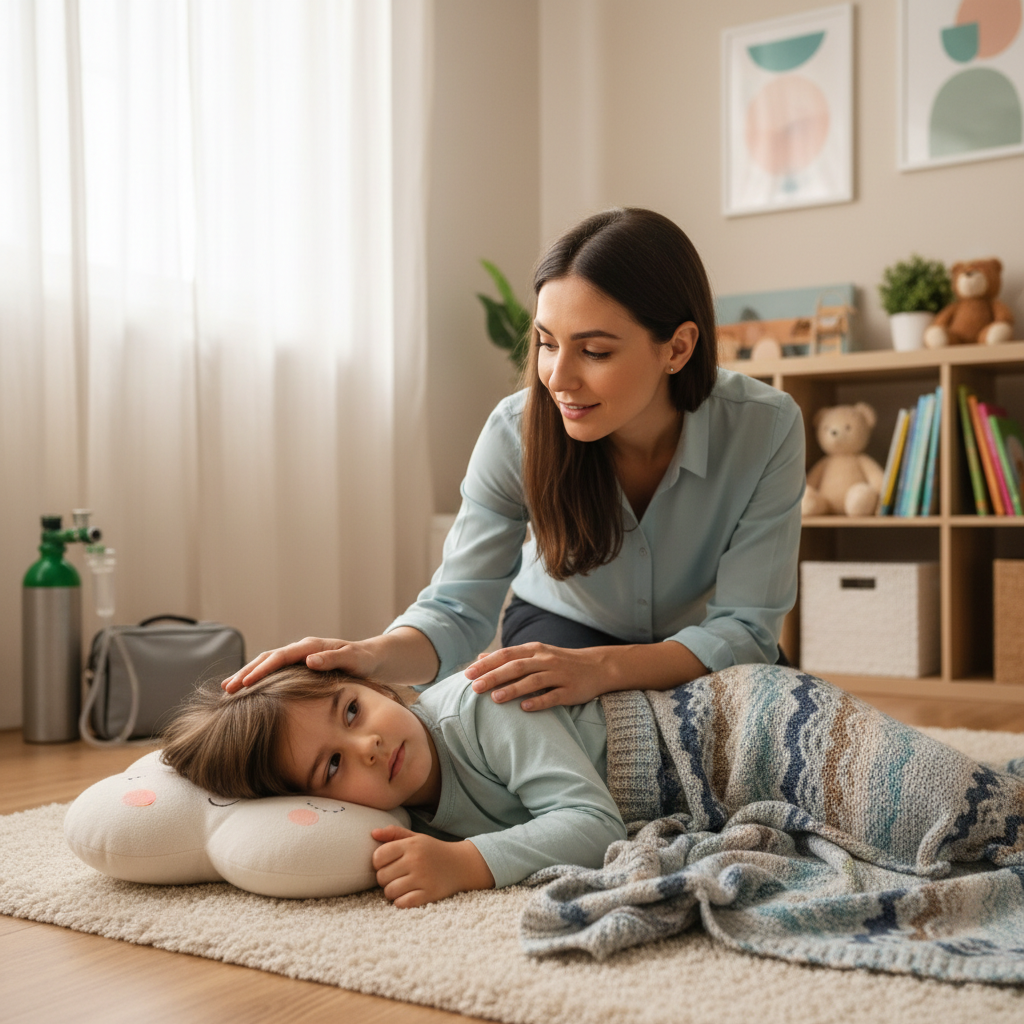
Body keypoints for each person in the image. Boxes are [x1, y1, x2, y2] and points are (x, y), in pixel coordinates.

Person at [222, 208, 805, 710]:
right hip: (562, 629)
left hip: (700, 643)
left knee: (783, 729)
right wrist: (367, 656)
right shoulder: (514, 433)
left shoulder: (767, 426)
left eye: (595, 350)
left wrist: (605, 670)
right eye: (547, 343)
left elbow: (745, 627)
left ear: (677, 347)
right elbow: (457, 607)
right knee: (548, 734)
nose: (558, 377)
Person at [167, 662, 1024, 918]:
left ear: (375, 687)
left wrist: (468, 863)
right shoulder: (393, 810)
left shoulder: (483, 706)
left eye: (353, 710)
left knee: (954, 811)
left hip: (748, 724)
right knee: (937, 829)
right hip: (728, 788)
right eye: (331, 767)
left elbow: (588, 822)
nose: (369, 746)